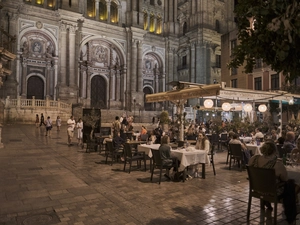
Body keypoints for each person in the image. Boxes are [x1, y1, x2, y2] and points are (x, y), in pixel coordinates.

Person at [248, 141, 298, 224]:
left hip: (256, 189)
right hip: (271, 192)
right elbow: (285, 179)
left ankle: (266, 202)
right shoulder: (277, 165)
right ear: (275, 151)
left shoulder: (253, 158)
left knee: (272, 183)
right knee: (291, 185)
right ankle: (290, 215)